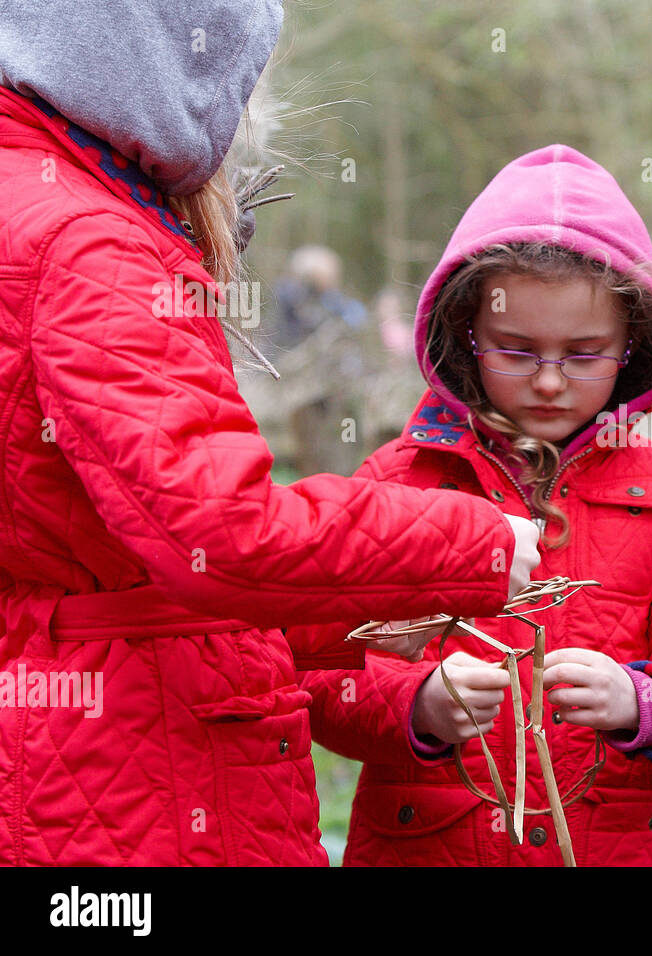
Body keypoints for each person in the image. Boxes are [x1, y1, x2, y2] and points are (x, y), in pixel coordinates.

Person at [0, 1, 539, 866]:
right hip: (145, 792)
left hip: (80, 755)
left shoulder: (30, 210)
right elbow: (221, 534)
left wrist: (369, 611)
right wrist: (465, 545)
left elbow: (111, 570)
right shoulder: (84, 246)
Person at [295, 144, 652, 866]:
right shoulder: (396, 484)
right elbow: (319, 676)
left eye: (583, 355)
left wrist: (645, 702)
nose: (549, 381)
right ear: (466, 334)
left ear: (632, 345)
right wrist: (415, 705)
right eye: (516, 351)